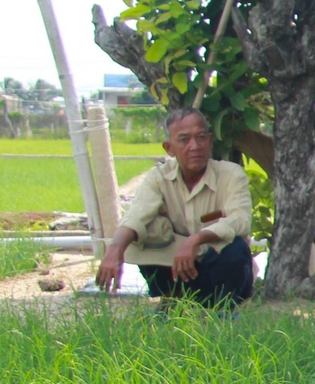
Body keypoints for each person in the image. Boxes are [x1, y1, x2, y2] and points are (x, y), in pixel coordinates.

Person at [96, 107, 255, 305]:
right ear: (169, 148)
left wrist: (196, 239)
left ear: (210, 141)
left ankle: (223, 306)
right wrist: (114, 250)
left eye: (201, 137)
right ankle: (173, 299)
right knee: (142, 232)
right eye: (184, 140)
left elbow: (241, 220)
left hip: (219, 273)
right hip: (178, 271)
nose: (195, 146)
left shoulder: (231, 175)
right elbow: (136, 216)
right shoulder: (159, 178)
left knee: (235, 247)